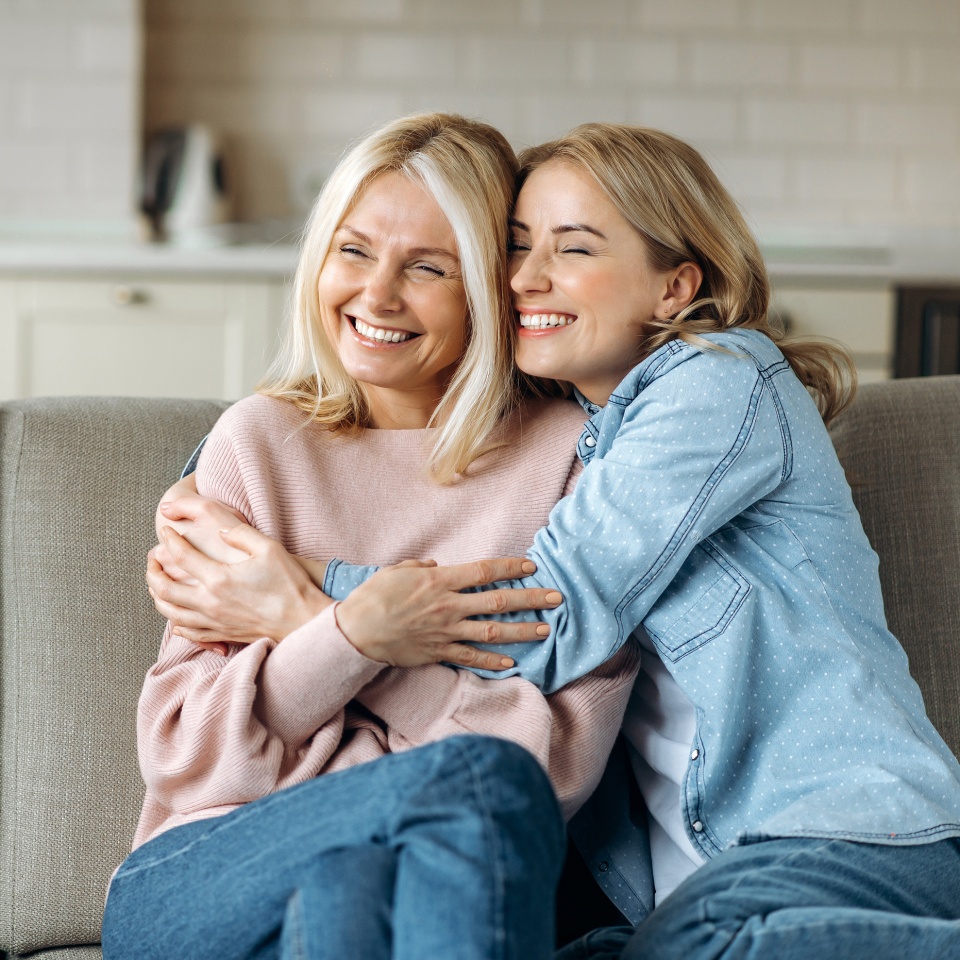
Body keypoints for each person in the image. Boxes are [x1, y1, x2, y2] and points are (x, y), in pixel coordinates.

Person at [155, 123, 960, 960]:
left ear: (675, 286)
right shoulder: (587, 426)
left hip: (834, 831)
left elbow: (551, 621)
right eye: (515, 246)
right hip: (688, 883)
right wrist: (204, 479)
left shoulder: (715, 380)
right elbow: (345, 425)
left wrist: (302, 595)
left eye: (572, 249)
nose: (526, 277)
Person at [101, 113, 641, 960]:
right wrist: (356, 634)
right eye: (353, 252)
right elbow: (188, 752)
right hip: (204, 871)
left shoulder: (573, 466)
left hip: (398, 880)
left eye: (426, 267)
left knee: (361, 879)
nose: (376, 296)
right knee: (465, 783)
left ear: (492, 290)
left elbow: (550, 773)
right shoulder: (256, 445)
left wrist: (304, 623)